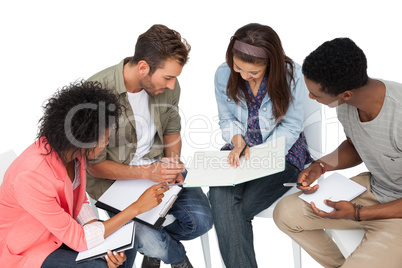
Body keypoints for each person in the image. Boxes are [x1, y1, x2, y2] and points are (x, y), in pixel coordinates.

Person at [0, 81, 170, 268]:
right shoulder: (31, 177)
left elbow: (78, 201)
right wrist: (136, 208)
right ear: (84, 137)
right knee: (100, 266)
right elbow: (80, 240)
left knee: (125, 243)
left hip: (59, 232)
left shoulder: (74, 154)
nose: (106, 143)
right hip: (28, 249)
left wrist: (98, 235)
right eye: (104, 138)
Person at [85, 24, 213, 268]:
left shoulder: (168, 88)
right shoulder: (97, 93)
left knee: (201, 222)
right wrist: (146, 173)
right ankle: (176, 258)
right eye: (168, 77)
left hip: (160, 169)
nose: (172, 85)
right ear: (143, 67)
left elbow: (172, 130)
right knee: (151, 242)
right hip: (114, 183)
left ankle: (158, 250)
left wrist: (173, 163)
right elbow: (94, 167)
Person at [273, 37, 402, 268]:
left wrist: (358, 213)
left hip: (397, 213)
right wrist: (320, 166)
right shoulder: (346, 106)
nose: (311, 97)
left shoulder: (399, 114)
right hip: (374, 189)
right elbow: (356, 146)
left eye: (316, 95)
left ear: (346, 94)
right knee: (285, 213)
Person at [208, 23, 313, 268]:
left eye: (253, 72)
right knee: (219, 191)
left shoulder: (293, 75)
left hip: (283, 153)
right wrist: (237, 140)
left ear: (271, 63)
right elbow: (227, 119)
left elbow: (291, 127)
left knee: (228, 211)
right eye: (238, 67)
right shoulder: (223, 74)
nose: (244, 76)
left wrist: (261, 155)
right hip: (240, 151)